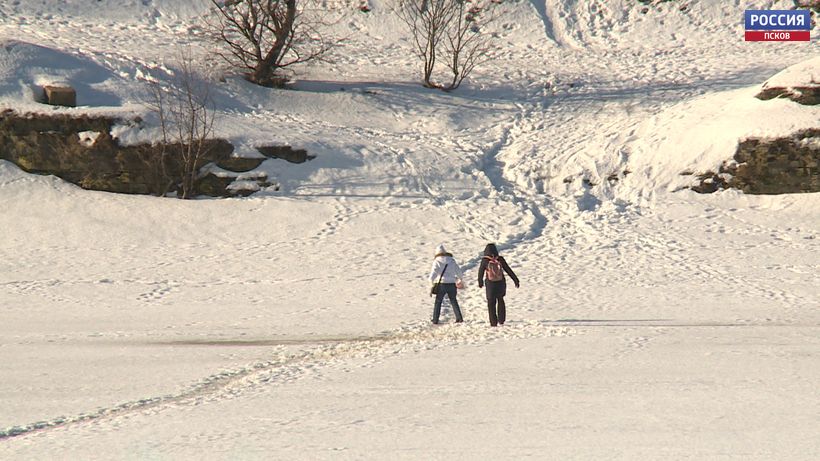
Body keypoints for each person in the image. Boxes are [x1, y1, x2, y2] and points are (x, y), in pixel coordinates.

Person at [477, 243, 519, 327]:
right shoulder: (500, 259)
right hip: (501, 283)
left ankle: (493, 322)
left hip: (490, 284)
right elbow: (508, 269)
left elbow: (480, 272)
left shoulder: (485, 260)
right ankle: (501, 320)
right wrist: (515, 280)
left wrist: (480, 282)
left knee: (491, 303)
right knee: (500, 300)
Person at [428, 244, 464, 324]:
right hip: (451, 284)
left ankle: (435, 319)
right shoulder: (452, 260)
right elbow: (458, 271)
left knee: (438, 301)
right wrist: (460, 279)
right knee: (453, 301)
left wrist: (431, 282)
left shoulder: (437, 261)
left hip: (442, 284)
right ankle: (459, 318)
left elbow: (433, 273)